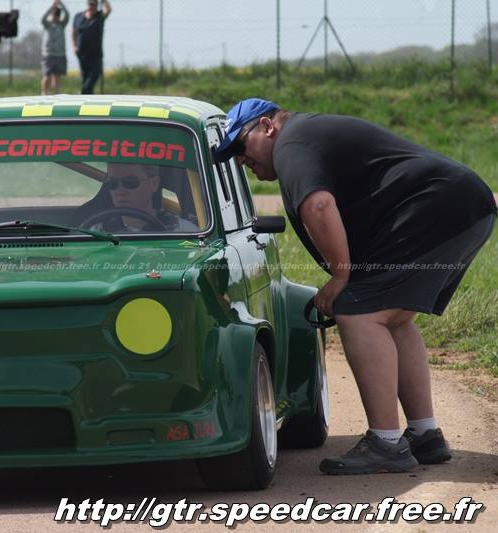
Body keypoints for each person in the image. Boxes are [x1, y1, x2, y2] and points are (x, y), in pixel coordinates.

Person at [213, 97, 497, 475]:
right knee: (393, 319)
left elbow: (318, 206)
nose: (240, 159)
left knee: (358, 312)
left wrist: (341, 278)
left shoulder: (291, 146)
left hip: (440, 209)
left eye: (241, 146)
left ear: (267, 127)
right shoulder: (303, 136)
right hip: (460, 205)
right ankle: (424, 435)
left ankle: (386, 443)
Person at [86, 162, 199, 232]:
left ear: (154, 183)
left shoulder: (184, 232)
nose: (120, 191)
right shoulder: (97, 233)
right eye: (112, 183)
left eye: (130, 182)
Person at [72, 0, 111, 95]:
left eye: (94, 4)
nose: (92, 6)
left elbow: (108, 10)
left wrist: (104, 1)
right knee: (85, 79)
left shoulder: (99, 16)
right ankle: (87, 101)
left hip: (96, 55)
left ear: (97, 5)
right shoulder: (79, 16)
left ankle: (83, 93)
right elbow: (74, 32)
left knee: (92, 78)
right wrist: (74, 46)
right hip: (82, 54)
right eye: (90, 4)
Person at [40, 0, 69, 95]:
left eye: (58, 14)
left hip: (60, 54)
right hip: (48, 55)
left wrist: (61, 4)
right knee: (47, 76)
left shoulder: (62, 24)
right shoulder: (47, 24)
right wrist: (52, 6)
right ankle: (44, 93)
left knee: (57, 76)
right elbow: (43, 17)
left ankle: (56, 94)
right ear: (51, 14)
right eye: (55, 14)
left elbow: (67, 15)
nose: (56, 16)